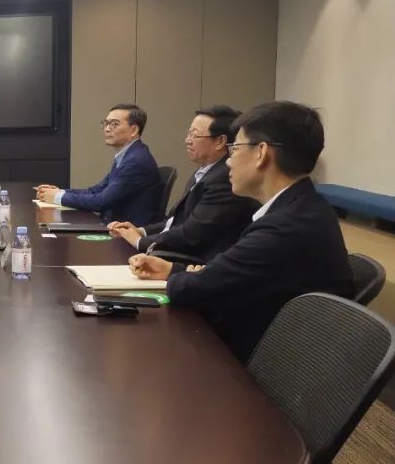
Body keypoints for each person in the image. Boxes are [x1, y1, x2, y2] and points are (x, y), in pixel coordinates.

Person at [128, 101, 353, 362]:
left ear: (261, 153)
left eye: (235, 148)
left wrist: (187, 278)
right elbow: (222, 274)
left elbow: (196, 289)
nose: (229, 161)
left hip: (254, 363)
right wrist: (172, 270)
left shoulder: (286, 226)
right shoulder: (301, 207)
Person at [107, 105, 257, 260]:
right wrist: (141, 231)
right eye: (189, 133)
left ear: (220, 141)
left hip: (196, 262)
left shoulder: (224, 179)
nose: (187, 140)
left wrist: (140, 241)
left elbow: (193, 235)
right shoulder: (204, 172)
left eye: (194, 135)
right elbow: (175, 222)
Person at [35, 104, 162, 224]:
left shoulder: (136, 161)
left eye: (114, 124)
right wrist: (61, 192)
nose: (107, 129)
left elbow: (101, 202)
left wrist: (57, 197)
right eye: (106, 123)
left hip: (124, 233)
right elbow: (96, 190)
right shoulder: (128, 156)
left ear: (133, 130)